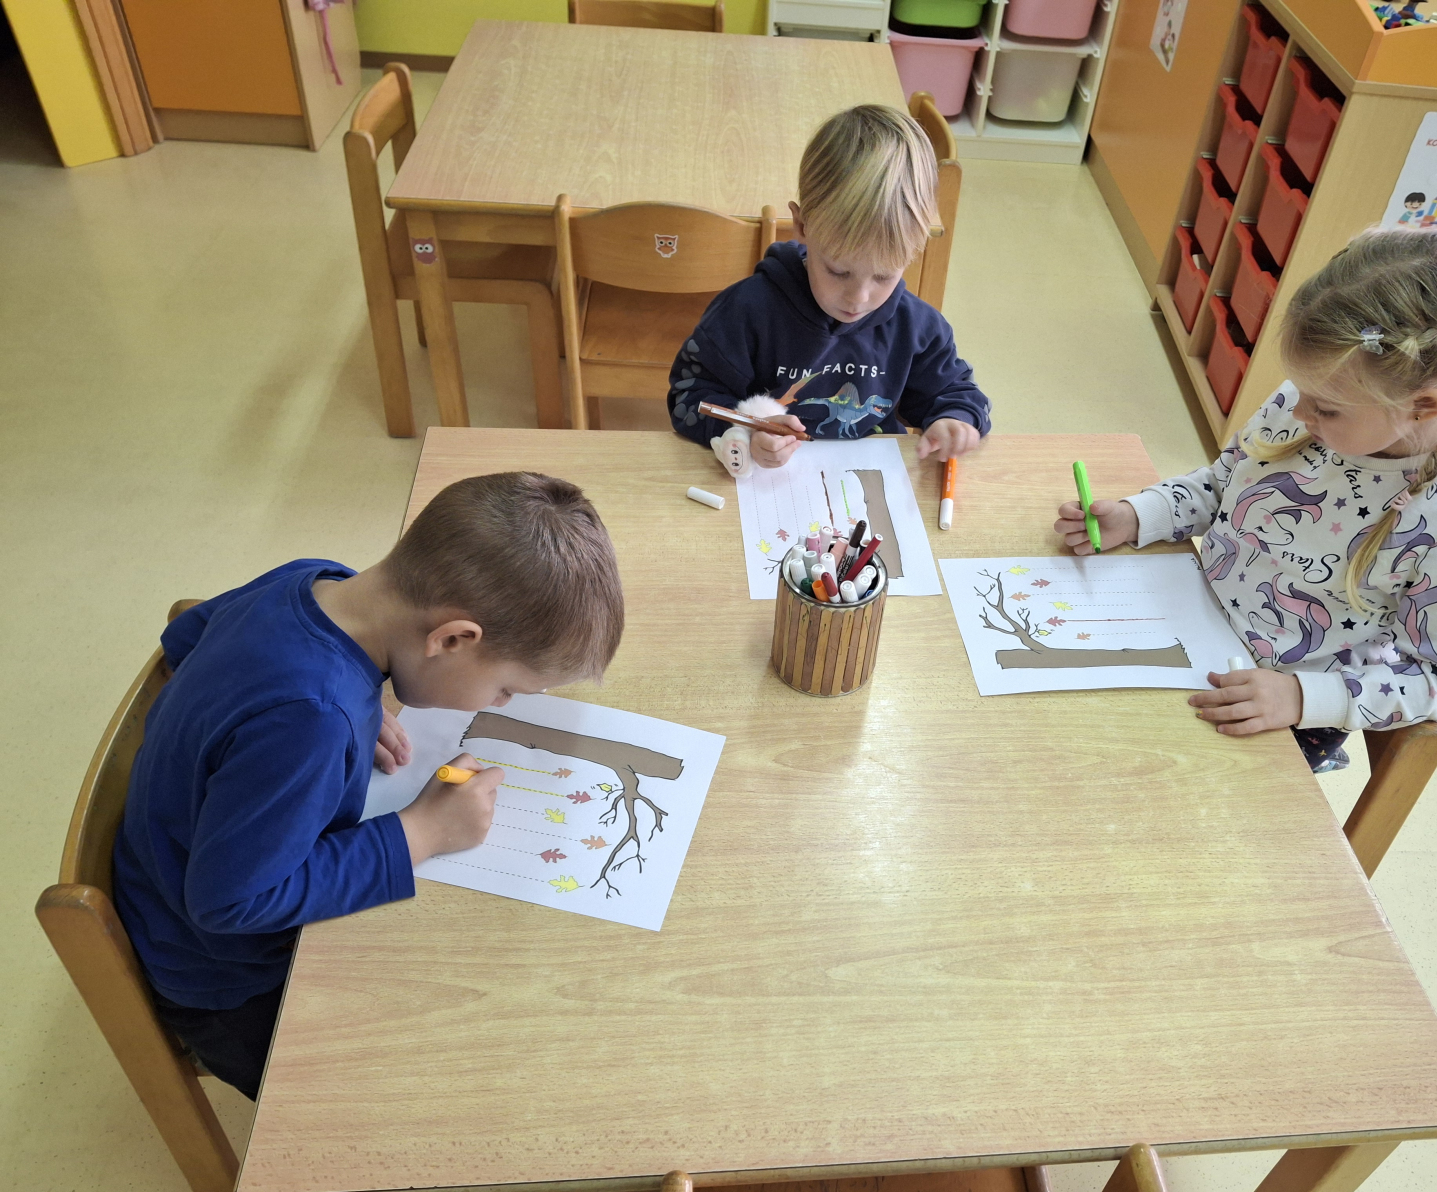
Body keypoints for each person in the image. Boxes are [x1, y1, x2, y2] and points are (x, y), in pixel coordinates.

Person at [113, 472, 624, 1097]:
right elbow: (229, 904)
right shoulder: (311, 718)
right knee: (425, 1073)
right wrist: (421, 832)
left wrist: (352, 704)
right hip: (225, 985)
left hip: (158, 870)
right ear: (453, 639)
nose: (501, 704)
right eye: (506, 689)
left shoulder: (311, 581)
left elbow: (186, 638)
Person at [1055, 228, 1437, 772]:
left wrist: (1299, 697)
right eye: (1300, 392)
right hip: (1185, 626)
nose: (1298, 413)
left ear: (1424, 406)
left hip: (1282, 712)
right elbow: (1223, 486)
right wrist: (1140, 516)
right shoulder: (1310, 405)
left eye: (1325, 408)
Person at [666, 104, 990, 474]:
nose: (859, 298)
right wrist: (743, 433)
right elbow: (690, 397)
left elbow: (956, 393)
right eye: (838, 271)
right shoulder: (745, 311)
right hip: (762, 486)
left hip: (868, 483)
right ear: (802, 225)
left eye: (883, 276)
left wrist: (956, 420)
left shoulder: (917, 328)